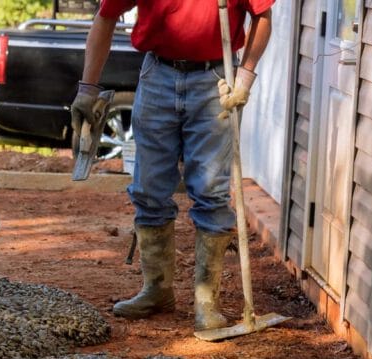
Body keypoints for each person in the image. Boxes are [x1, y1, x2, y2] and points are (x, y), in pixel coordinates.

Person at [73, 0, 274, 331]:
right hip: (157, 76)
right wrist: (87, 89)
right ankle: (157, 289)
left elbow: (263, 16)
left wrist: (245, 78)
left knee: (210, 191)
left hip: (215, 80)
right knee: (149, 189)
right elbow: (106, 17)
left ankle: (207, 302)